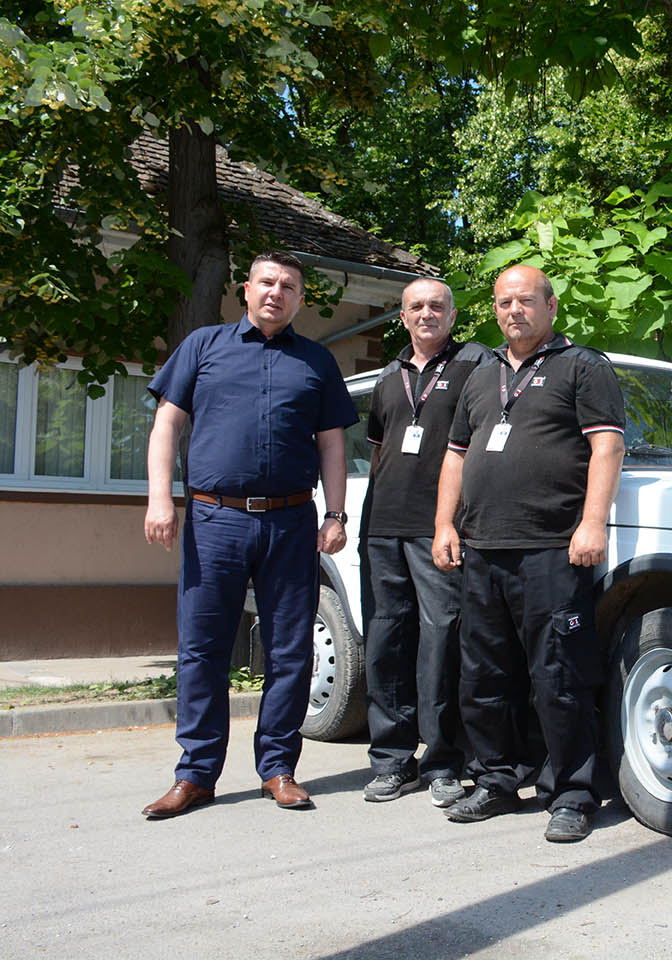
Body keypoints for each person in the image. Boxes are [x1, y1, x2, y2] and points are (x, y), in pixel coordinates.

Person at [141, 250, 357, 819]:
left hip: (290, 522)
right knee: (203, 649)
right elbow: (167, 422)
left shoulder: (316, 362)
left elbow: (332, 442)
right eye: (267, 282)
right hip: (215, 520)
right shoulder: (203, 346)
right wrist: (160, 498)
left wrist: (335, 514)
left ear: (300, 298)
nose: (276, 292)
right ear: (246, 289)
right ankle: (195, 775)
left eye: (288, 286)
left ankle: (279, 769)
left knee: (290, 650)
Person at [432, 264, 625, 842]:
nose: (513, 310)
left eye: (525, 301)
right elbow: (455, 457)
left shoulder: (583, 366)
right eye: (503, 302)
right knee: (483, 676)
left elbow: (608, 447)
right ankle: (495, 780)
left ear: (551, 306)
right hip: (481, 550)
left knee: (558, 675)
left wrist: (592, 523)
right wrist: (445, 523)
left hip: (551, 549)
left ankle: (571, 794)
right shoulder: (479, 374)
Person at [360, 278, 494, 807]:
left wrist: (457, 520)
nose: (426, 314)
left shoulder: (477, 365)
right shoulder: (388, 376)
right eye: (416, 307)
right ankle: (392, 762)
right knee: (386, 643)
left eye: (437, 306)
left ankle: (442, 761)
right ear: (402, 317)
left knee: (442, 642)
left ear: (454, 314)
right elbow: (379, 450)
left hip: (441, 525)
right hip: (383, 528)